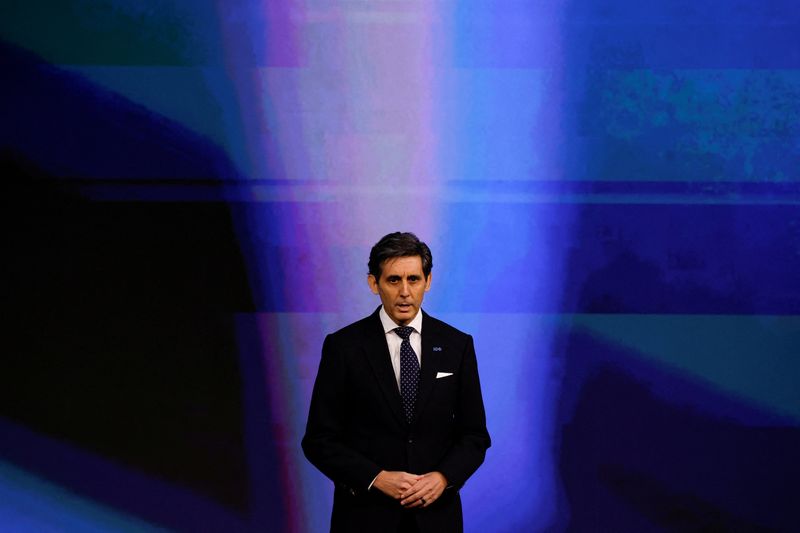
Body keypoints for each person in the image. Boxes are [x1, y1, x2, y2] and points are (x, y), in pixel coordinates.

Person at [302, 232, 491, 533]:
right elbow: (319, 440)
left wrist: (442, 478)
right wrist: (376, 478)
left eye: (413, 279)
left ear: (427, 282)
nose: (405, 291)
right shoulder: (344, 347)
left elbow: (474, 436)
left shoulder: (458, 345)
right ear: (373, 284)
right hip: (365, 518)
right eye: (393, 280)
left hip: (436, 520)